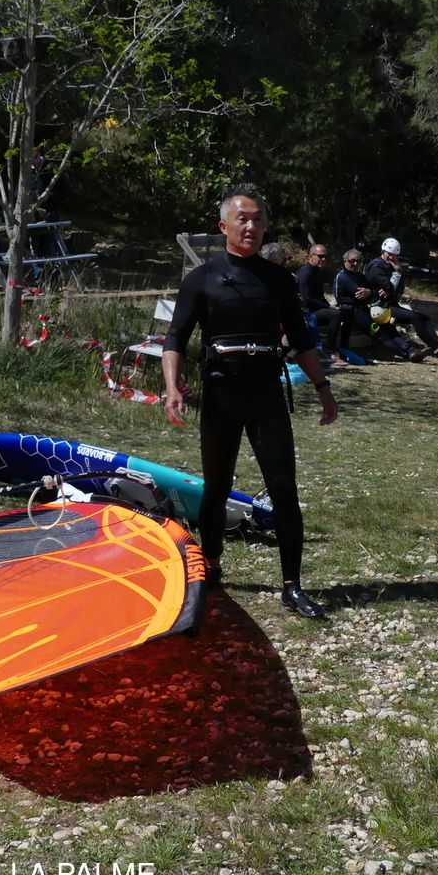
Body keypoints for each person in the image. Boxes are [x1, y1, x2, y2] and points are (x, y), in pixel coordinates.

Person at [162, 184, 339, 619]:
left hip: (265, 395)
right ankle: (212, 568)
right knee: (216, 487)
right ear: (224, 225)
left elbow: (301, 339)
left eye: (258, 219)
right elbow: (175, 338)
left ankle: (292, 587)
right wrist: (172, 388)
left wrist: (322, 388)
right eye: (242, 218)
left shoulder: (278, 279)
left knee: (284, 489)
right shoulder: (201, 279)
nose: (251, 226)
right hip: (221, 395)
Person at [364, 238, 438, 358]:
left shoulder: (390, 265)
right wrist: (396, 273)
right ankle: (437, 350)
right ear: (383, 251)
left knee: (424, 318)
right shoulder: (376, 266)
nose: (391, 257)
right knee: (415, 317)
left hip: (391, 304)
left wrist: (392, 287)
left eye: (394, 255)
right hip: (381, 307)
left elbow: (400, 288)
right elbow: (390, 287)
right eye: (389, 254)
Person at [334, 249, 428, 361]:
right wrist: (370, 293)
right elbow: (360, 294)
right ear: (345, 261)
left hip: (365, 309)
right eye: (352, 261)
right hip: (353, 313)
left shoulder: (359, 276)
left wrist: (370, 292)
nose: (355, 264)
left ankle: (410, 350)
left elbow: (373, 292)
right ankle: (406, 355)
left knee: (388, 326)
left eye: (358, 261)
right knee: (379, 333)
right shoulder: (343, 276)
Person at [294, 244, 344, 358]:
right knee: (336, 315)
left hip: (316, 309)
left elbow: (320, 297)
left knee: (345, 311)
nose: (323, 259)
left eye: (325, 257)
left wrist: (331, 306)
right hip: (307, 312)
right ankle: (331, 350)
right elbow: (307, 300)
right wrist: (329, 308)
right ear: (311, 256)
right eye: (320, 256)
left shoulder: (316, 272)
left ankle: (342, 346)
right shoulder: (305, 273)